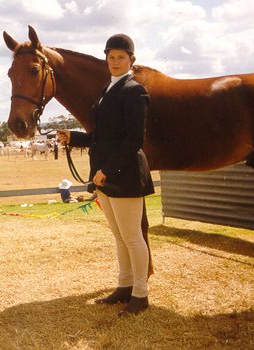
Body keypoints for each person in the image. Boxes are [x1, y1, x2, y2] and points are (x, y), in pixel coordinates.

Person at [58, 33, 154, 316]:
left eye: (120, 57)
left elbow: (133, 140)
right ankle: (124, 287)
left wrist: (107, 170)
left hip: (123, 175)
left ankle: (141, 294)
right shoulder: (107, 90)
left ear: (131, 61)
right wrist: (74, 137)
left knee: (133, 236)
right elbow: (101, 137)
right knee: (119, 235)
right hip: (104, 176)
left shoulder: (135, 91)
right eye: (110, 57)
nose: (114, 62)